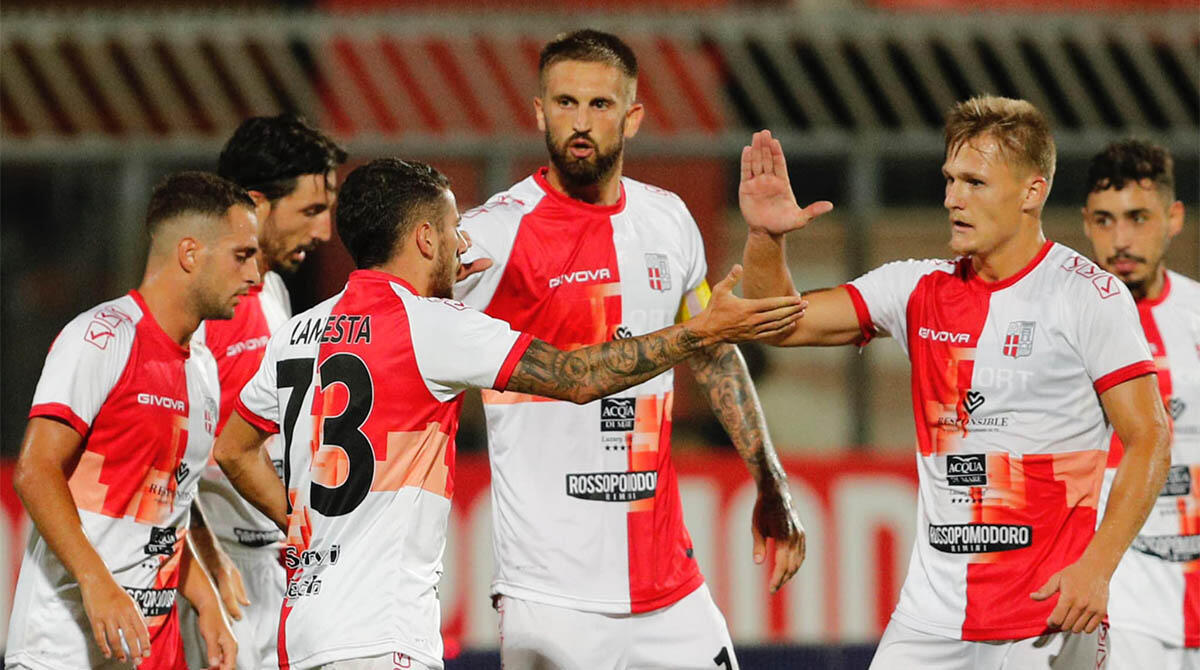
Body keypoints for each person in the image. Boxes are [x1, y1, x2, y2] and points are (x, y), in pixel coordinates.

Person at [210, 158, 805, 670]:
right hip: (383, 633)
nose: (461, 245)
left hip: (302, 627)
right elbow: (580, 377)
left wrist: (297, 520)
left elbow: (234, 448)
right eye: (450, 232)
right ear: (423, 239)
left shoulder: (296, 333)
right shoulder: (433, 327)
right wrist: (699, 331)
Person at [739, 97, 1171, 668]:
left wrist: (1097, 567)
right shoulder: (915, 289)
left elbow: (1150, 438)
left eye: (974, 182)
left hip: (1046, 619)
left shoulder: (1089, 296)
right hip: (930, 620)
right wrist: (768, 237)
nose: (952, 199)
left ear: (1031, 192)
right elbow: (782, 327)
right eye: (949, 180)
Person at [452, 29, 804, 669]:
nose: (579, 123)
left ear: (633, 116)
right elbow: (402, 324)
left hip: (671, 591)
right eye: (564, 103)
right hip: (552, 598)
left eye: (600, 105)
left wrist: (769, 477)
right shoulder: (493, 236)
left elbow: (714, 352)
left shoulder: (667, 220)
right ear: (538, 112)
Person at [5, 172, 260, 670]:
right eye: (242, 256)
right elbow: (35, 471)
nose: (254, 276)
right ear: (190, 253)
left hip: (151, 652)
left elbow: (165, 514)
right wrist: (98, 582)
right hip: (64, 649)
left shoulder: (203, 369)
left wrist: (204, 600)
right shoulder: (102, 338)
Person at [183, 114, 346, 670]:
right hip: (225, 573)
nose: (324, 232)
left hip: (268, 567)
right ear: (255, 204)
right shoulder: (205, 307)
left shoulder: (271, 287)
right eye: (310, 211)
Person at [1081, 139, 1199, 669]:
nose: (1121, 239)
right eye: (1105, 220)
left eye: (1138, 218)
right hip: (1120, 593)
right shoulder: (1065, 325)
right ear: (1086, 222)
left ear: (1173, 218)